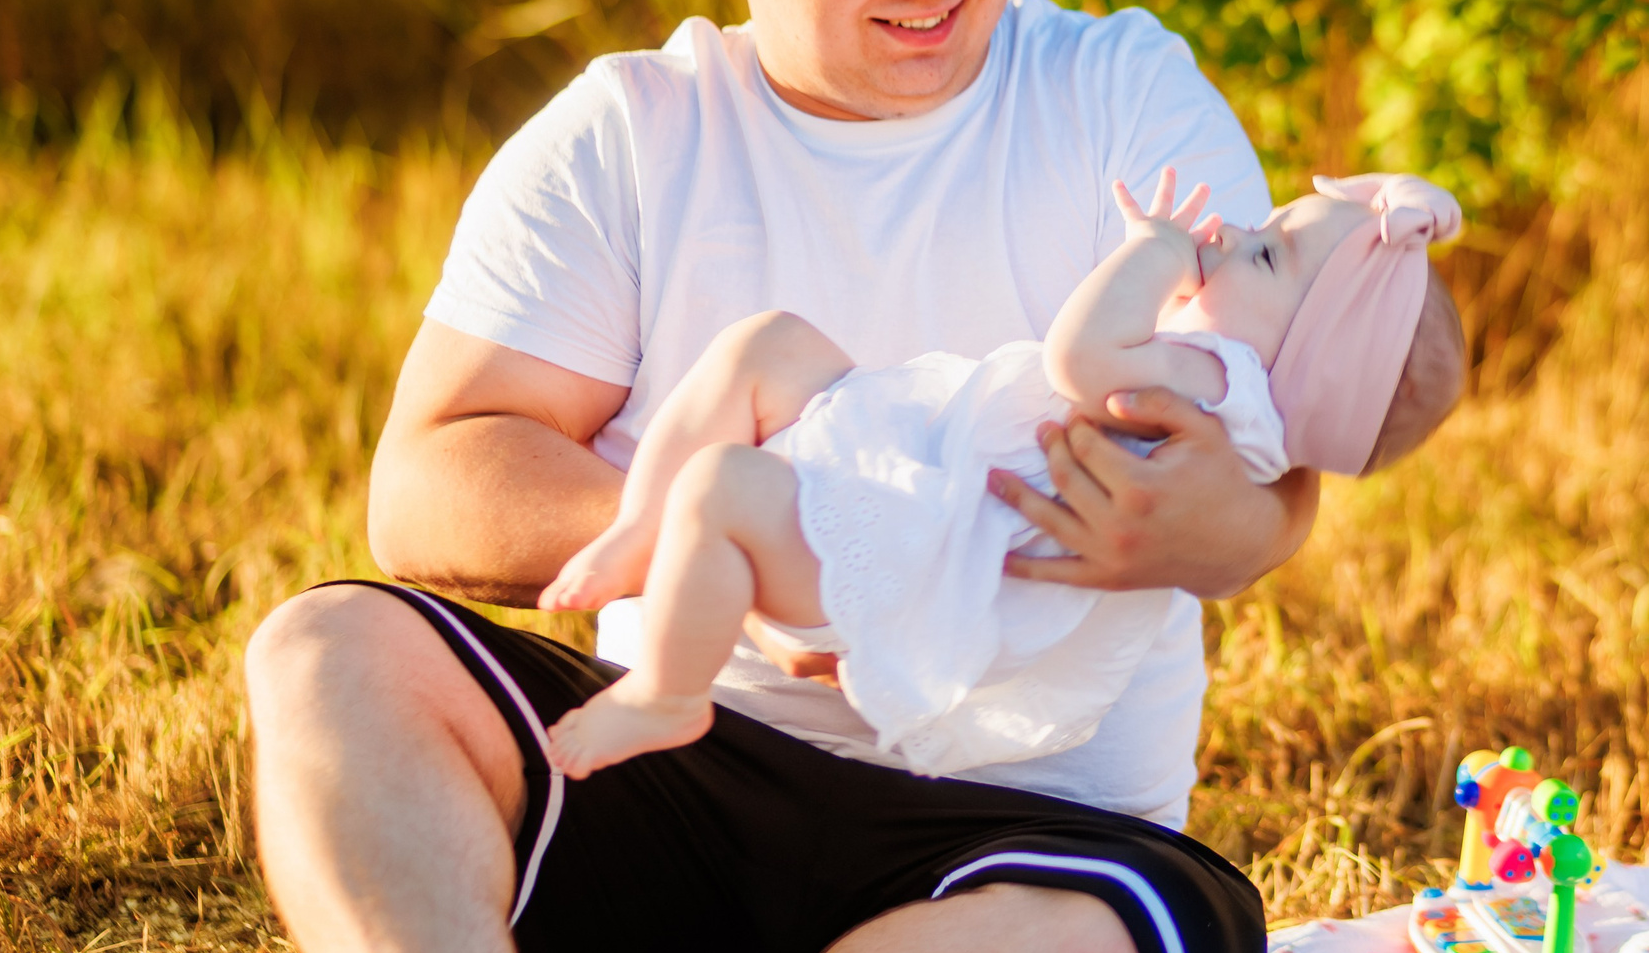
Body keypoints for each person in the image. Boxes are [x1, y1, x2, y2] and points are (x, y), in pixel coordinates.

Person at [118, 0, 1395, 953]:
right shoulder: (634, 131)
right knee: (325, 646)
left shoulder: (1119, 93)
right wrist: (757, 540)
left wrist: (1210, 530)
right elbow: (429, 479)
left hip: (1020, 831)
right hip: (678, 763)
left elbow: (1277, 463)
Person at [538, 167, 1467, 780]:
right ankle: (636, 533)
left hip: (921, 544)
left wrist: (1151, 254)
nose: (1226, 231)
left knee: (722, 482)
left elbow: (1079, 359)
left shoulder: (1224, 383)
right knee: (767, 348)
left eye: (1265, 250)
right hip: (927, 484)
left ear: (1304, 364)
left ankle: (665, 690)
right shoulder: (1235, 402)